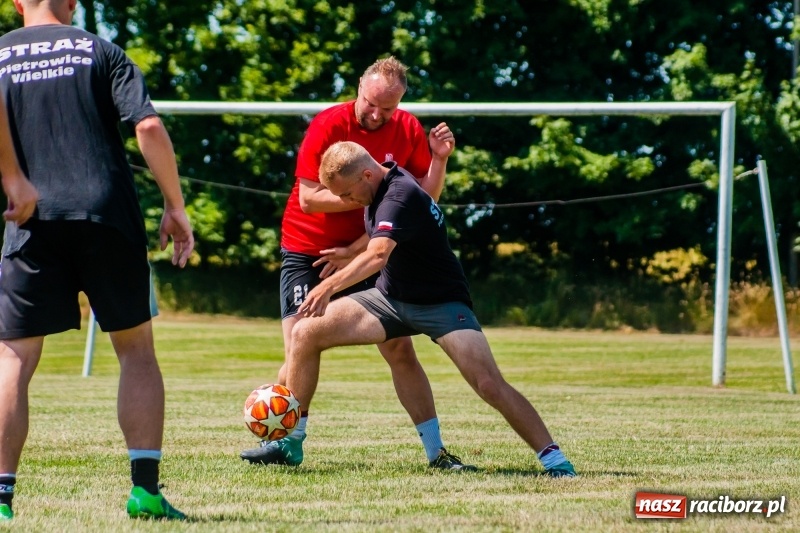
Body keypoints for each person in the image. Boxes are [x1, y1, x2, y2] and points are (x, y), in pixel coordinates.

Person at [0, 0, 195, 521]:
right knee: (135, 351)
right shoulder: (99, 49)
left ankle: (1, 502)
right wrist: (175, 207)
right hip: (106, 213)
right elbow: (148, 128)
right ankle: (145, 492)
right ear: (70, 3)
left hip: (29, 220)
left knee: (14, 359)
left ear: (18, 3)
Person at [283, 141, 577, 478]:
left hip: (442, 302)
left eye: (348, 195)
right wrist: (350, 253)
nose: (346, 203)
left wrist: (328, 286)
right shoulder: (377, 186)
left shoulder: (398, 194)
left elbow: (379, 255)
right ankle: (291, 441)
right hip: (390, 299)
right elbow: (386, 239)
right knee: (305, 332)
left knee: (489, 384)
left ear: (366, 174)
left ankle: (555, 461)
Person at [241, 57, 475, 471]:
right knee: (300, 344)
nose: (377, 115)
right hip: (309, 252)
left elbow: (419, 203)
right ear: (359, 89)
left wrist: (439, 161)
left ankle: (436, 453)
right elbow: (310, 199)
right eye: (371, 104)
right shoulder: (328, 125)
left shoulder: (407, 129)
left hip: (366, 252)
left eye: (388, 109)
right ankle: (286, 441)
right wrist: (363, 199)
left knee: (399, 348)